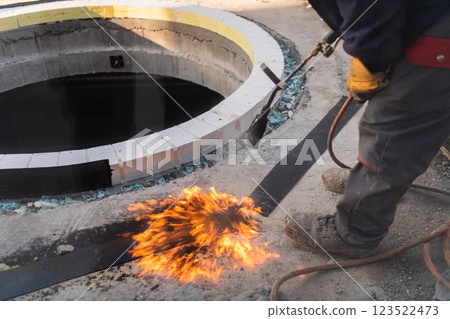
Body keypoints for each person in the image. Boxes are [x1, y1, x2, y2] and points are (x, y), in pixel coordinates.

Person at [284, 0, 450, 258]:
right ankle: (370, 185)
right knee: (414, 123)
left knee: (392, 127)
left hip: (438, 30)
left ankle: (355, 232)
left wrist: (370, 53)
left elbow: (372, 11)